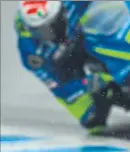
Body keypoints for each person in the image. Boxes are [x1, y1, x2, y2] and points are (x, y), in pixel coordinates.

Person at [14, 1, 108, 133]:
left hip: (96, 31)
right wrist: (88, 84)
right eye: (41, 30)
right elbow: (58, 85)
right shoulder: (32, 53)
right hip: (70, 63)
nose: (50, 33)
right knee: (92, 120)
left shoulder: (69, 4)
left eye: (52, 25)